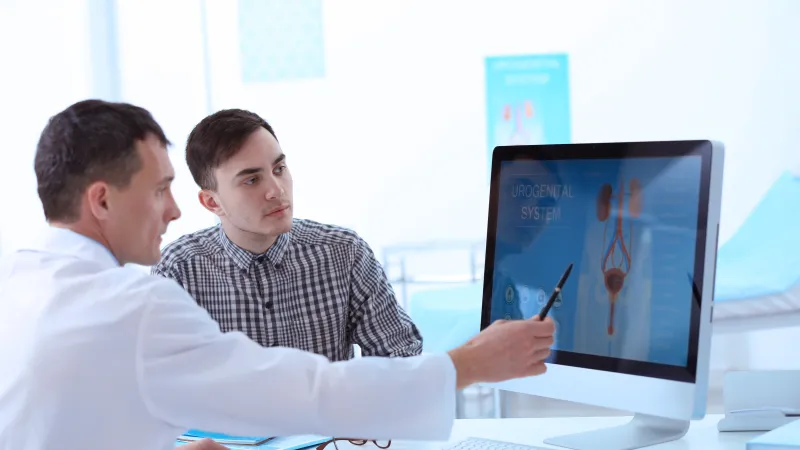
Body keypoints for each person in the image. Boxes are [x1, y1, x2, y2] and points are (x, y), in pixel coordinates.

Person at [0, 99, 555, 450]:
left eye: (281, 168)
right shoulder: (138, 302)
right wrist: (472, 362)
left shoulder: (18, 287)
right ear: (101, 200)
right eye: (158, 191)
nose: (170, 212)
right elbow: (303, 392)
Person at [151, 109, 420, 362]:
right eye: (252, 180)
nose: (276, 190)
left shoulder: (344, 253)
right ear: (212, 202)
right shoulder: (179, 271)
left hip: (328, 413)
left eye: (279, 169)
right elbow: (164, 382)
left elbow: (399, 359)